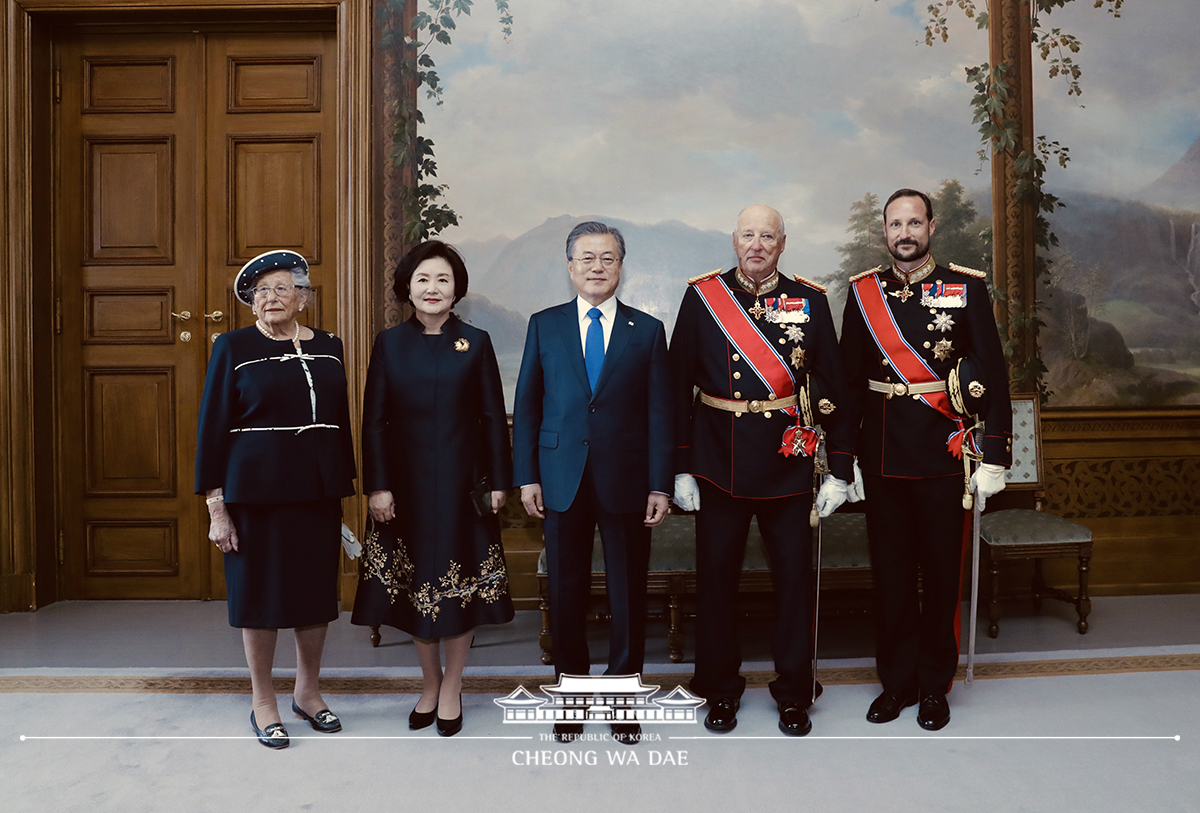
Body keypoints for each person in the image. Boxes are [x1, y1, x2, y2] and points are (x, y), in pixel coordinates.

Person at [822, 188, 1012, 731]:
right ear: (885, 231)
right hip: (883, 459)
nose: (904, 233)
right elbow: (849, 384)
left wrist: (994, 455)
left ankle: (934, 686)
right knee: (893, 578)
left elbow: (993, 377)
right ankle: (897, 683)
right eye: (894, 224)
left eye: (914, 223)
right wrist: (844, 457)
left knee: (941, 577)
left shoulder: (966, 288)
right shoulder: (864, 294)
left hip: (946, 458)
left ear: (931, 227)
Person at [671, 204, 844, 737]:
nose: (757, 244)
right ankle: (719, 689)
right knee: (716, 583)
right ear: (734, 240)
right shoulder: (703, 298)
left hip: (787, 464)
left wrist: (838, 469)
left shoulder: (811, 300)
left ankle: (795, 691)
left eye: (767, 236)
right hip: (718, 463)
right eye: (748, 235)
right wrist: (679, 467)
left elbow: (833, 390)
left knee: (794, 583)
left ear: (783, 243)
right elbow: (677, 388)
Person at [512, 221, 672, 745]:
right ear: (570, 266)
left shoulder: (646, 330)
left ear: (621, 266)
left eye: (607, 258)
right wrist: (527, 476)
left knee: (628, 593)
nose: (597, 267)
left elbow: (659, 415)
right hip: (561, 478)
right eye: (587, 258)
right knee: (566, 591)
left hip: (627, 480)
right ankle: (572, 693)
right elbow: (529, 407)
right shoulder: (545, 325)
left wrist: (659, 484)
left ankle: (624, 696)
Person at [351, 240, 514, 738]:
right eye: (423, 279)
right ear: (408, 287)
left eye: (442, 279)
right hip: (405, 492)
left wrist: (499, 484)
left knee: (459, 591)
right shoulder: (389, 343)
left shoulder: (478, 342)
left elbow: (492, 420)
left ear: (456, 288)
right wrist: (377, 487)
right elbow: (373, 422)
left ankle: (452, 686)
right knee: (417, 590)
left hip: (464, 490)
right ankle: (429, 683)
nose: (432, 288)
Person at [196, 249, 356, 749]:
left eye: (282, 288)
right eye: (260, 291)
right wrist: (216, 508)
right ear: (249, 303)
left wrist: (343, 482)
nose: (271, 298)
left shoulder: (330, 346)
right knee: (259, 596)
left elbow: (341, 419)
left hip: (317, 488)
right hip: (255, 493)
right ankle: (263, 699)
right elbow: (211, 428)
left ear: (303, 298)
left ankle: (307, 693)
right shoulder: (232, 346)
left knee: (313, 594)